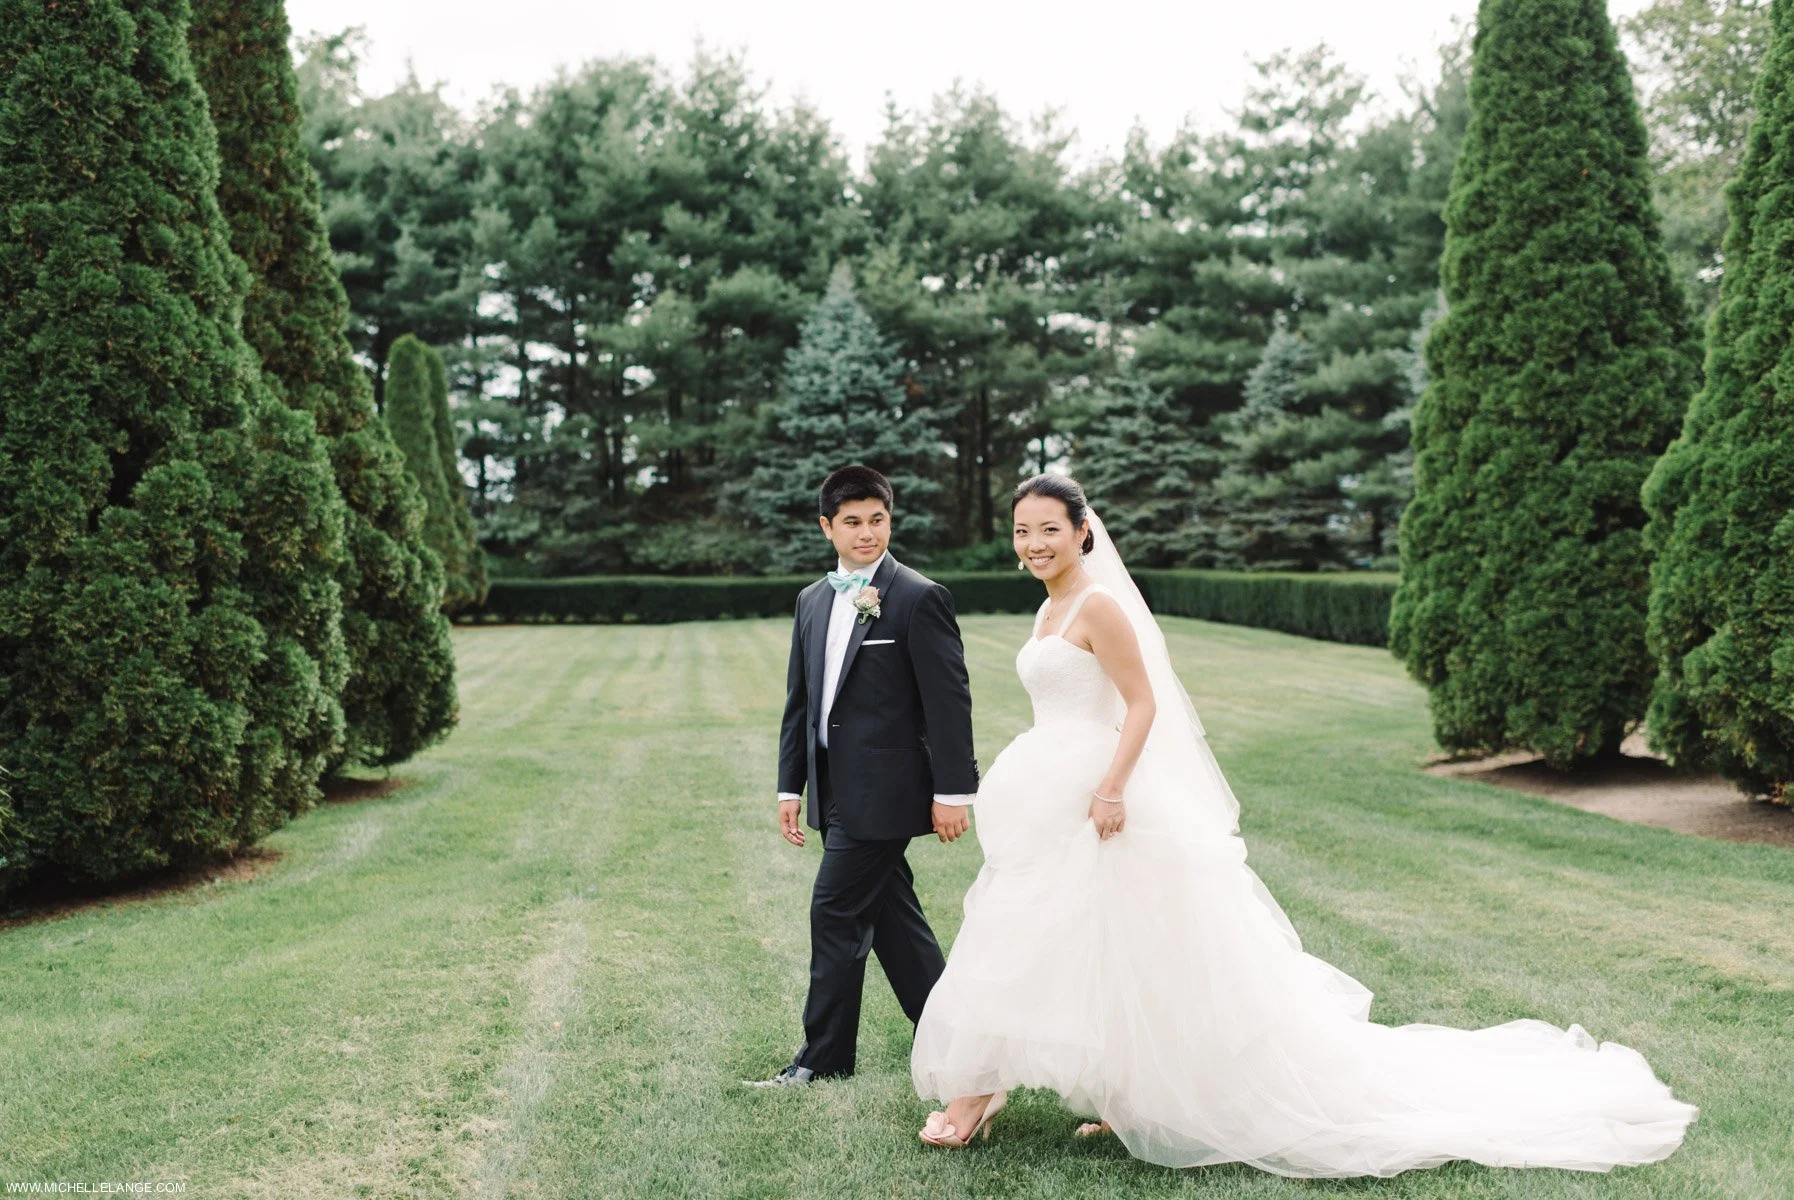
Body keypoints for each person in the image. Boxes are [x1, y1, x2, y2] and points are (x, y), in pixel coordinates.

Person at [909, 472, 1699, 1177]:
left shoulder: (1099, 604)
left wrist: (1112, 788)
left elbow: (1143, 703)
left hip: (1097, 795)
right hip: (1052, 787)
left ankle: (979, 1094)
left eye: (1050, 528)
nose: (1034, 542)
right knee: (1098, 940)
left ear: (1083, 531)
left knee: (1068, 935)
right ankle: (1123, 1095)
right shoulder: (1049, 609)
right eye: (1023, 530)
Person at [747, 465, 980, 1088]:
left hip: (887, 793)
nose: (867, 533)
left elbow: (948, 703)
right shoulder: (812, 600)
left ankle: (822, 1061)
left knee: (835, 912)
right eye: (852, 522)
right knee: (895, 922)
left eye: (877, 519)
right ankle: (958, 1039)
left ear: (889, 520)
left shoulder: (917, 596)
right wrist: (789, 786)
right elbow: (803, 700)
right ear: (828, 527)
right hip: (833, 790)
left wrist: (953, 792)